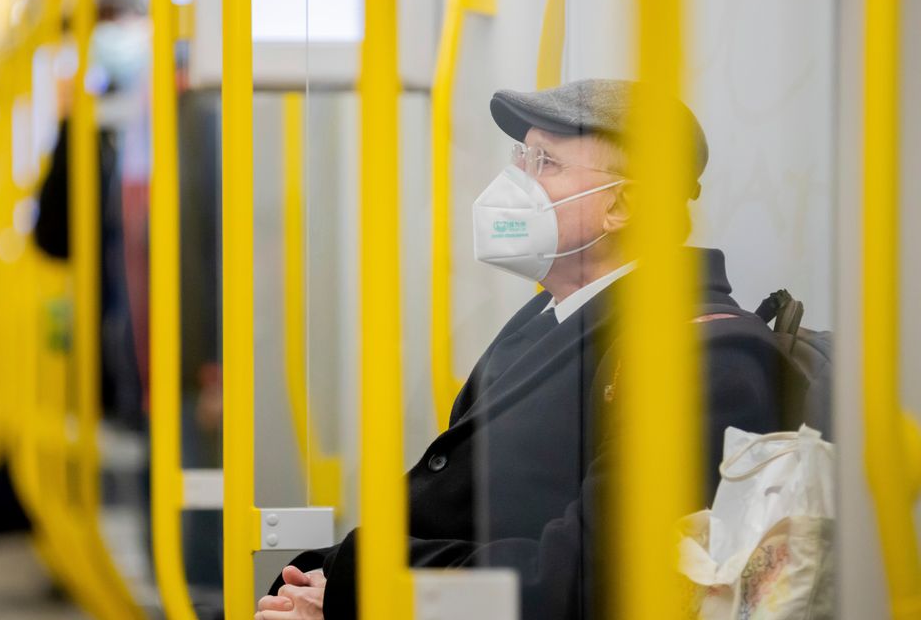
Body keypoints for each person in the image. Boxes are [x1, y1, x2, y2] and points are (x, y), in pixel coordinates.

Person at [256, 79, 786, 620]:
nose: (514, 184)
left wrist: (365, 591)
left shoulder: (699, 357)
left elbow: (586, 582)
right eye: (521, 158)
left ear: (622, 203)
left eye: (545, 163)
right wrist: (324, 576)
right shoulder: (550, 314)